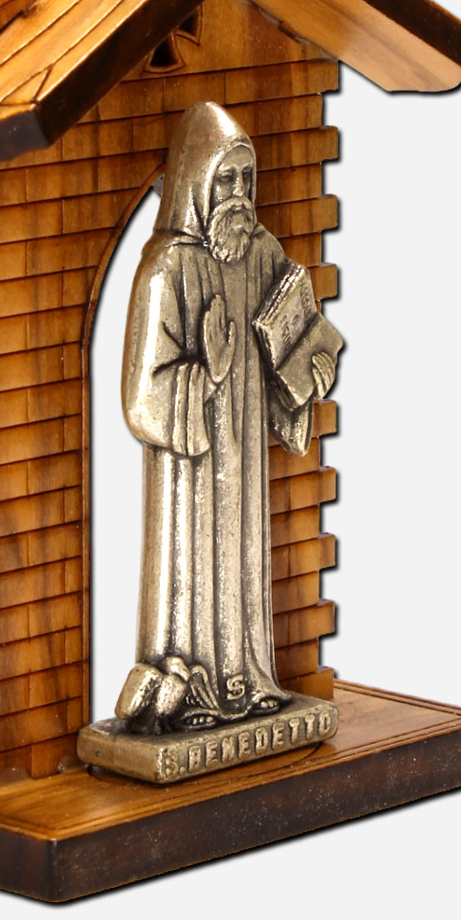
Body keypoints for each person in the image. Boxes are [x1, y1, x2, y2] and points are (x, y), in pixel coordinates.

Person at [116, 101, 338, 732]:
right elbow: (141, 400)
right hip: (192, 473)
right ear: (195, 182)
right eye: (225, 180)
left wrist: (308, 378)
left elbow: (285, 350)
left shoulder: (262, 254)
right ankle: (194, 689)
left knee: (244, 556)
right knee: (196, 563)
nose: (239, 195)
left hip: (244, 464)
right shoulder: (165, 270)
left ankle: (250, 679)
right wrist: (206, 374)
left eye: (247, 178)